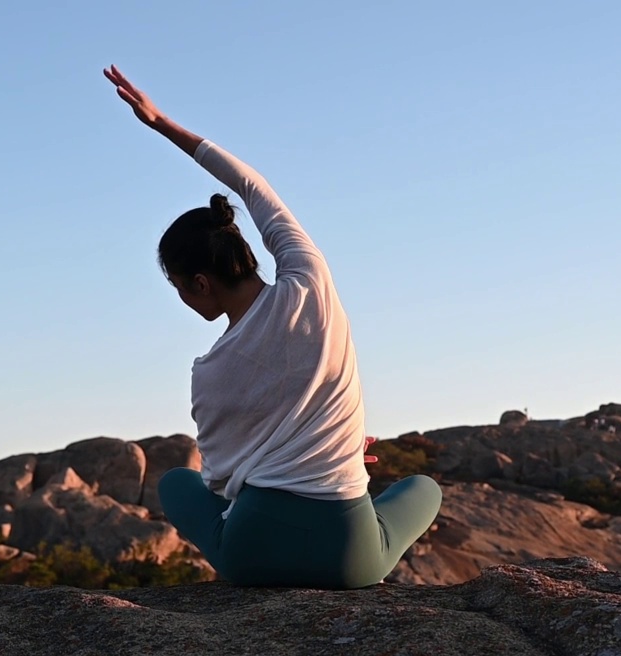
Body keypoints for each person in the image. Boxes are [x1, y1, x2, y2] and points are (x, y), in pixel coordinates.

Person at [103, 65, 442, 589]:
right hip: (348, 559)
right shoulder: (311, 284)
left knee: (176, 483)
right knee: (423, 489)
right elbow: (252, 184)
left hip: (251, 554)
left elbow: (217, 486)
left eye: (176, 288)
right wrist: (164, 124)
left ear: (199, 282)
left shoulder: (208, 371)